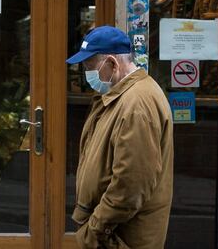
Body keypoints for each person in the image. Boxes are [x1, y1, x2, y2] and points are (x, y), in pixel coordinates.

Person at [66, 26, 174, 249]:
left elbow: (131, 185)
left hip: (123, 237)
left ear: (113, 64)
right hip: (114, 233)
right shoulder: (121, 96)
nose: (88, 76)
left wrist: (96, 228)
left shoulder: (136, 105)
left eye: (90, 67)